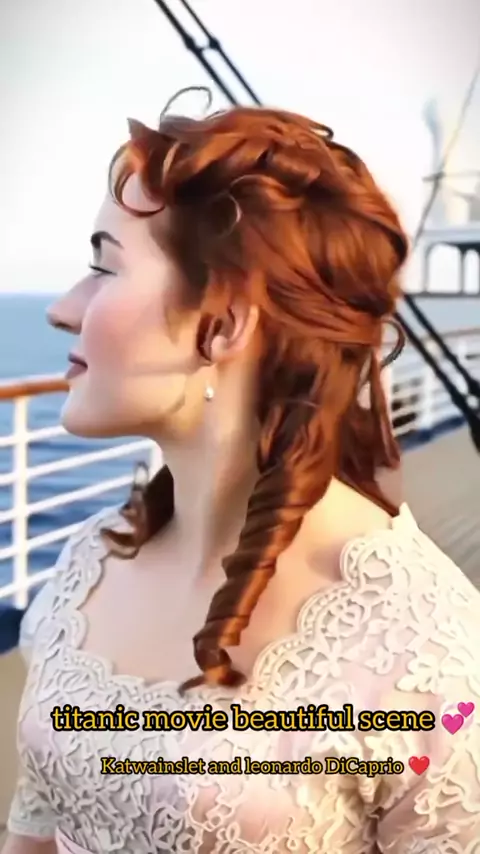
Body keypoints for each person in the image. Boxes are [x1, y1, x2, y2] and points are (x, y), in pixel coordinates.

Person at [3, 101, 480, 854]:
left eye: (105, 267)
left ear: (224, 324)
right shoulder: (85, 566)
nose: (64, 310)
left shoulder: (426, 650)